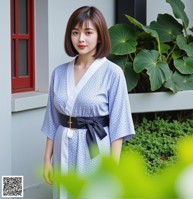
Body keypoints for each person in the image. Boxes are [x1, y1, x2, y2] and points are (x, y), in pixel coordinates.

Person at [41, 6, 135, 199]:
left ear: (100, 36)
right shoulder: (58, 73)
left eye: (88, 32)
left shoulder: (113, 73)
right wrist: (46, 159)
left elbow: (119, 124)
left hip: (94, 148)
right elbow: (52, 118)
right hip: (62, 145)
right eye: (75, 33)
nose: (81, 39)